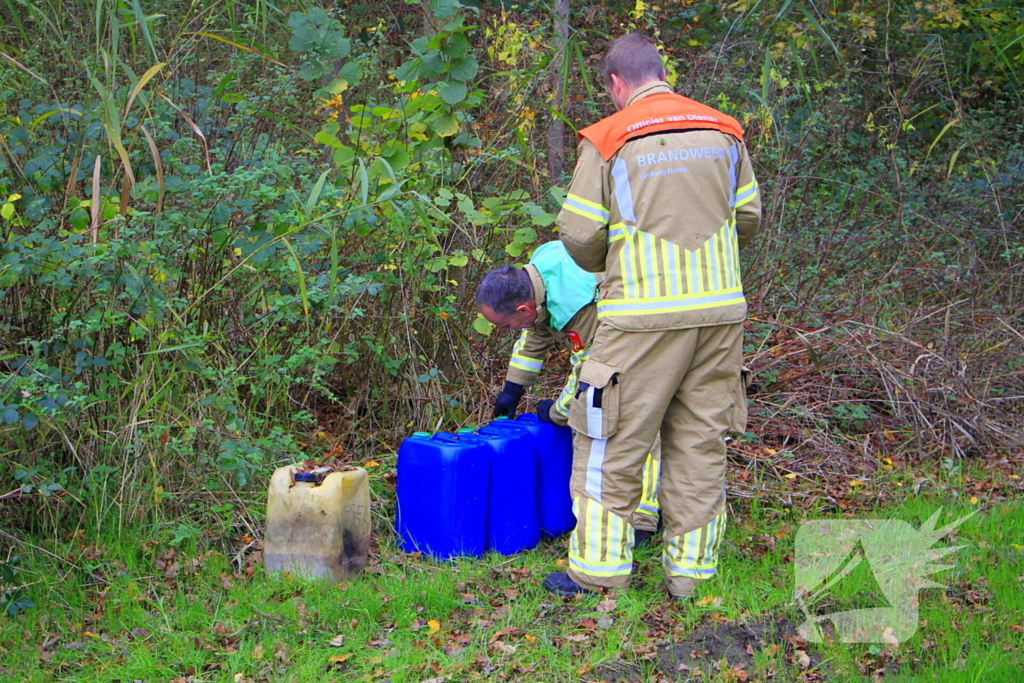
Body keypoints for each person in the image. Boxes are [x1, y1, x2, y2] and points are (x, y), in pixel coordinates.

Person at [545, 33, 761, 599]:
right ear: (660, 71)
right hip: (719, 317)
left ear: (617, 83)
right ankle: (690, 577)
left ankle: (596, 572)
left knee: (607, 439)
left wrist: (612, 261)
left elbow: (579, 231)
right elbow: (749, 218)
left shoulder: (610, 137)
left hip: (639, 318)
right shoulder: (725, 130)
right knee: (699, 443)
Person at [476, 241, 662, 539]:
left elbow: (589, 374)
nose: (506, 331)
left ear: (524, 307)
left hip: (653, 336)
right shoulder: (539, 272)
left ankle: (643, 520)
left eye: (506, 325)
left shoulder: (577, 306)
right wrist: (512, 389)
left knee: (636, 425)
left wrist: (558, 412)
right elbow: (535, 334)